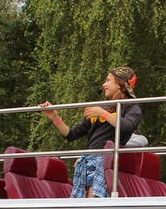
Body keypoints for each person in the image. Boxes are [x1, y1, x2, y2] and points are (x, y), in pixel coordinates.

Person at [41, 66, 143, 197]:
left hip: (106, 162)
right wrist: (54, 117)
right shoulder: (101, 108)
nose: (104, 84)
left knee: (93, 201)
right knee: (82, 204)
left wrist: (102, 113)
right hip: (88, 160)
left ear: (119, 84)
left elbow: (127, 126)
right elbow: (71, 134)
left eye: (108, 80)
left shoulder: (132, 107)